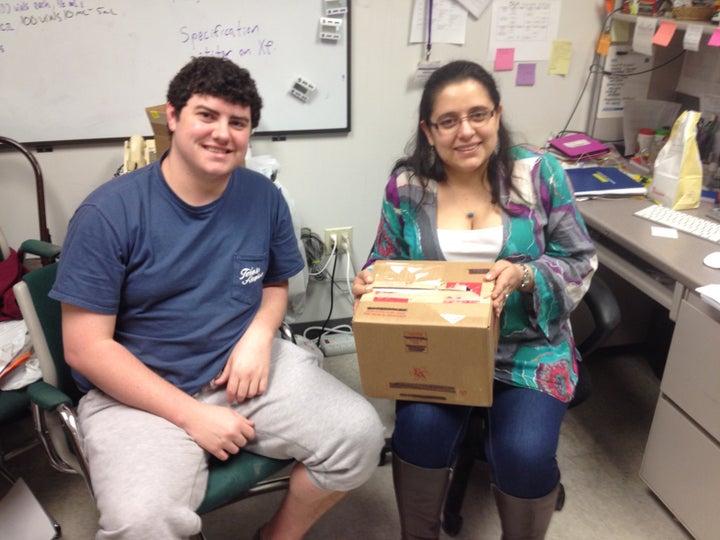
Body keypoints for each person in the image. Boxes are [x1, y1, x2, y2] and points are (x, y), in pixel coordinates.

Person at [50, 56, 385, 540]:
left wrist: (257, 337)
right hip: (138, 392)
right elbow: (86, 348)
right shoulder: (107, 213)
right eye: (207, 115)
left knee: (359, 437)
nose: (222, 133)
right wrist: (192, 416)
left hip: (241, 371)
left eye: (238, 122)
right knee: (141, 524)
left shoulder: (262, 197)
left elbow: (275, 283)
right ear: (173, 116)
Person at [353, 60, 597, 540]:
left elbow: (579, 259)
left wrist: (529, 275)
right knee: (417, 434)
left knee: (525, 455)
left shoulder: (538, 173)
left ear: (498, 116)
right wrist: (371, 283)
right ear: (428, 131)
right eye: (448, 121)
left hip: (527, 347)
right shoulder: (407, 189)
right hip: (440, 347)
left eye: (479, 115)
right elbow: (382, 260)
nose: (466, 131)